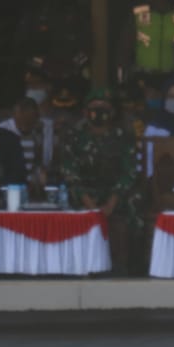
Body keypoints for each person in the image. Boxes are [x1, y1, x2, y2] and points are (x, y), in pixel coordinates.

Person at [60, 88, 143, 274]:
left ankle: (131, 266)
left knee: (135, 200)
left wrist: (112, 202)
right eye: (94, 108)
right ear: (84, 112)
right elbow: (69, 172)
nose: (99, 112)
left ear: (112, 112)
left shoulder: (123, 136)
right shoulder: (74, 136)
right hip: (85, 193)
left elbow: (129, 173)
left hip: (115, 193)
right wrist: (87, 201)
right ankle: (74, 265)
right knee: (66, 197)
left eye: (104, 108)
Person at [0, 97, 54, 191]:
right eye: (22, 121)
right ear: (15, 115)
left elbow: (44, 162)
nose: (24, 127)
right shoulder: (2, 130)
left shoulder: (42, 130)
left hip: (33, 186)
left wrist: (41, 171)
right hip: (9, 183)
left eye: (29, 122)